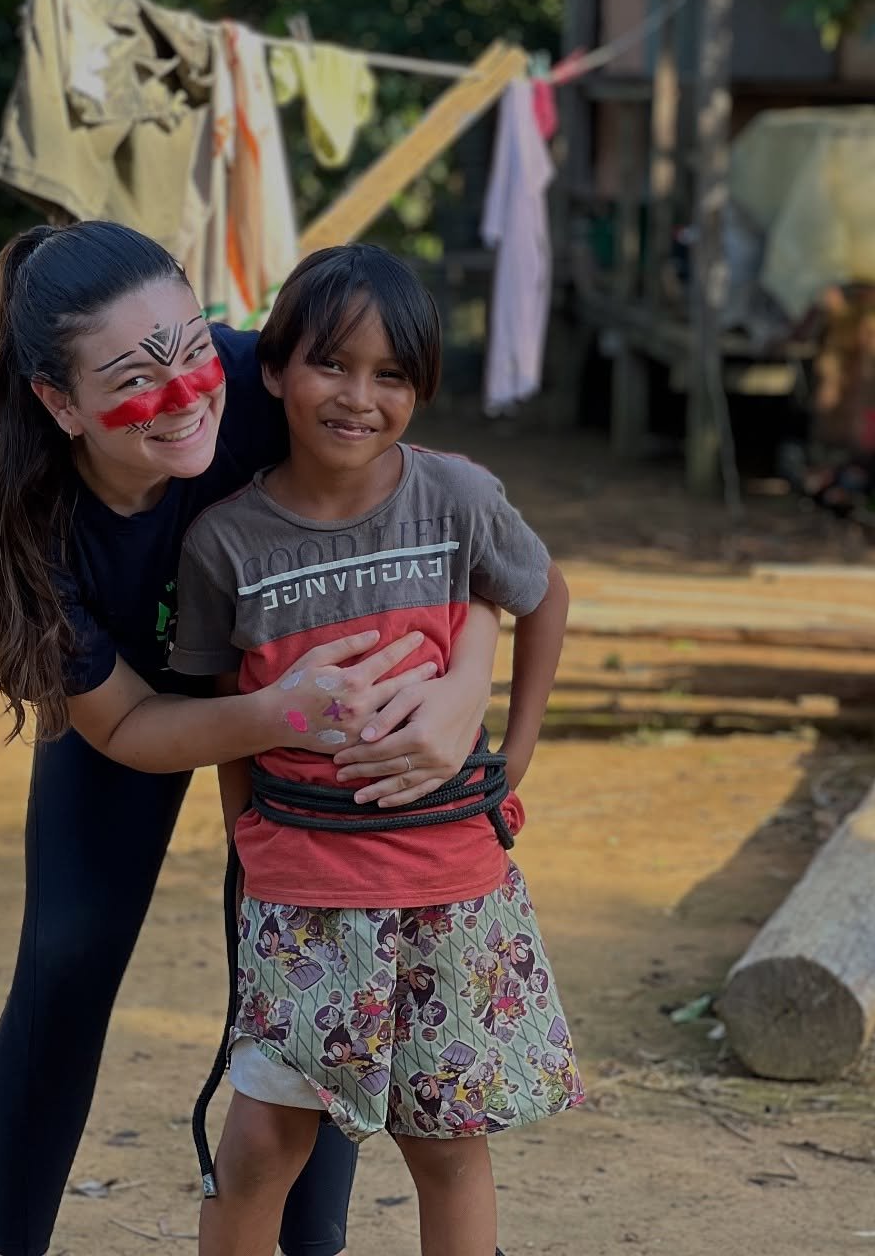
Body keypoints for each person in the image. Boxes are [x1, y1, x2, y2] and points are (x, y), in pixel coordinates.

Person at [0, 221, 505, 1256]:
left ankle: (311, 1242)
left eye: (194, 350)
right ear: (60, 402)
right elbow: (125, 723)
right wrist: (277, 711)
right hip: (150, 706)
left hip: (305, 678)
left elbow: (444, 522)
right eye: (134, 379)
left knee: (322, 944)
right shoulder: (7, 522)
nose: (185, 395)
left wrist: (466, 689)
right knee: (69, 953)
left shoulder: (269, 380)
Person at [169, 245, 584, 1256]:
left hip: (452, 884)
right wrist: (248, 840)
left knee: (445, 1145)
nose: (359, 397)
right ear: (275, 370)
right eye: (332, 364)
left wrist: (515, 755)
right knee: (261, 1141)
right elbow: (232, 717)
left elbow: (545, 595)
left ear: (420, 389)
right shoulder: (223, 544)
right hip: (302, 893)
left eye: (391, 374)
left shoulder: (456, 499)